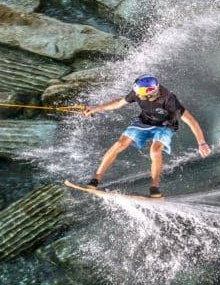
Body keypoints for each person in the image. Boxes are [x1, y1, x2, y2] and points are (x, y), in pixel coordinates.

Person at [82, 75, 212, 198]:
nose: (136, 95)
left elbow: (191, 121)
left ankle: (154, 187)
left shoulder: (169, 100)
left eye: (140, 93)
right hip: (143, 122)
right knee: (119, 144)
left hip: (165, 126)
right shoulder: (137, 93)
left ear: (150, 93)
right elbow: (118, 103)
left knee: (155, 151)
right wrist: (95, 109)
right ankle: (95, 180)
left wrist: (202, 143)